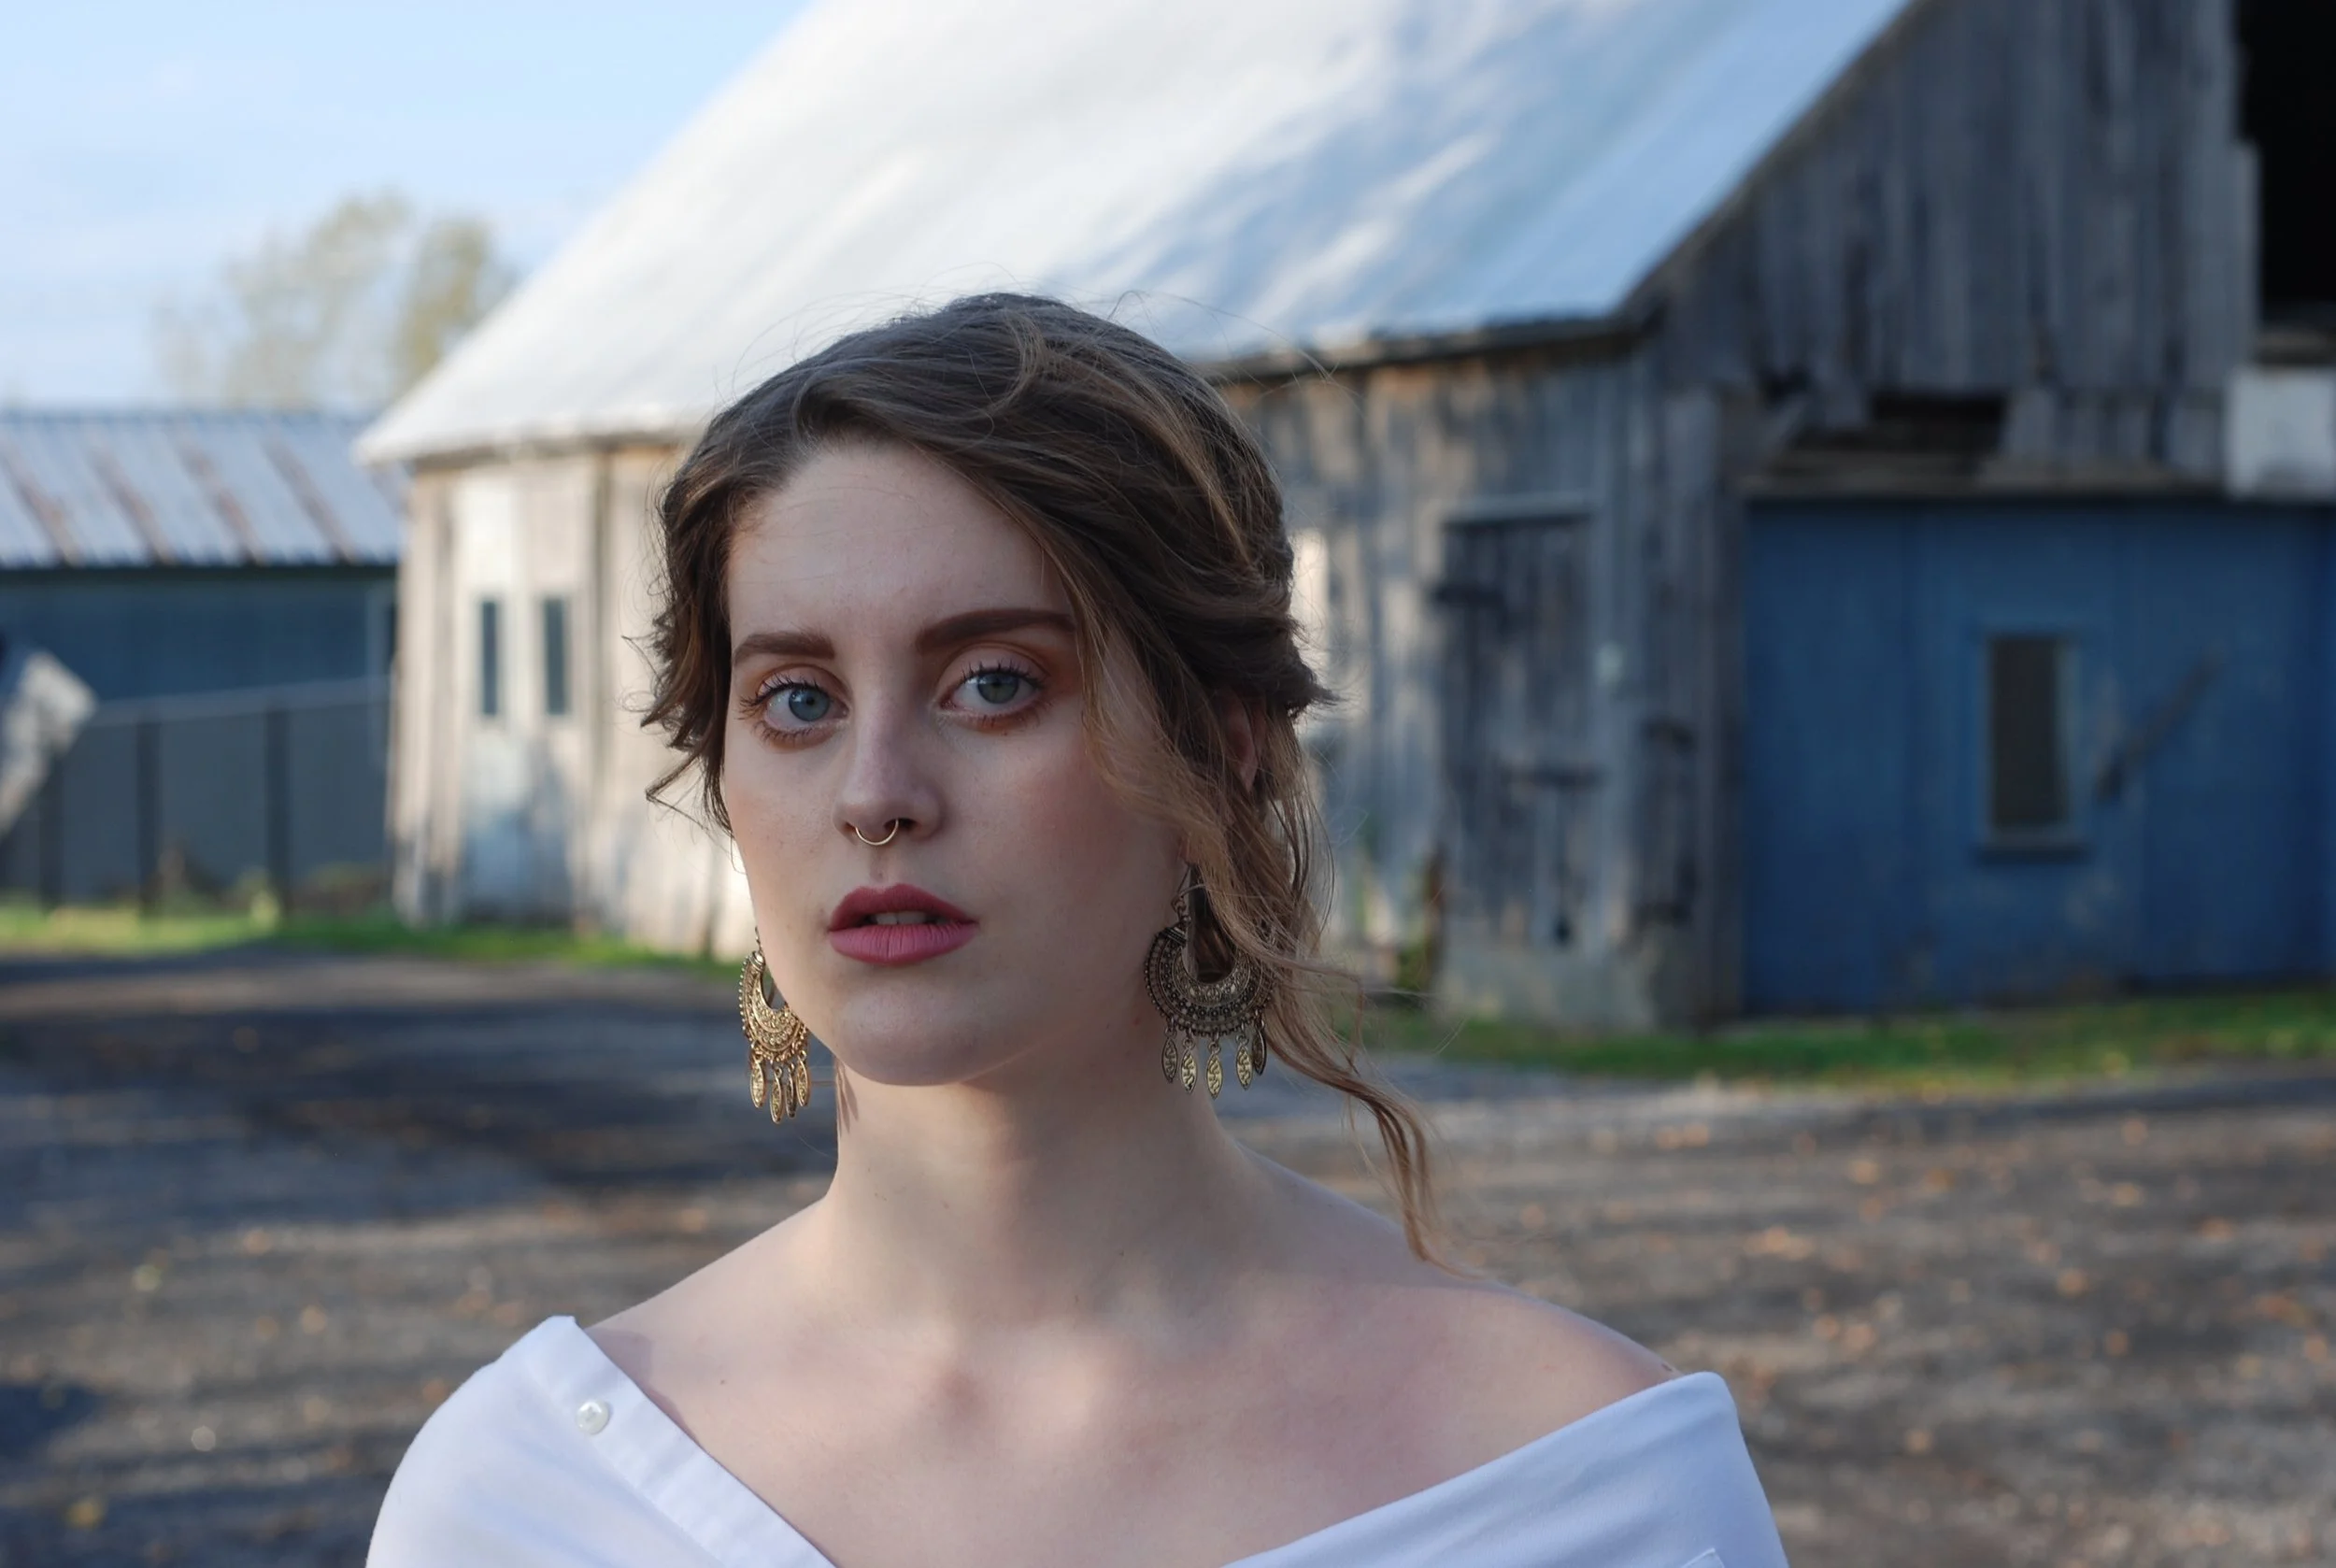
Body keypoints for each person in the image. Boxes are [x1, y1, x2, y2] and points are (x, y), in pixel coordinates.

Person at [366, 294, 1788, 1567]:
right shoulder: (529, 1501)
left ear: (1223, 743)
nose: (877, 796)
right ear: (726, 776)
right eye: (798, 698)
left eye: (993, 681)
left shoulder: (1587, 1490)